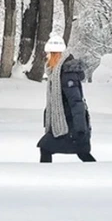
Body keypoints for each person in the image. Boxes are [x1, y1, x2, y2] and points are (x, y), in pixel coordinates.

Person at [36, 33, 95, 163]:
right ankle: (100, 173)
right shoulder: (57, 73)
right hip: (63, 122)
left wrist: (80, 128)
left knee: (47, 147)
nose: (46, 57)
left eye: (49, 54)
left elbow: (76, 101)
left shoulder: (66, 74)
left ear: (55, 55)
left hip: (70, 124)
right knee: (81, 153)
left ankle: (45, 177)